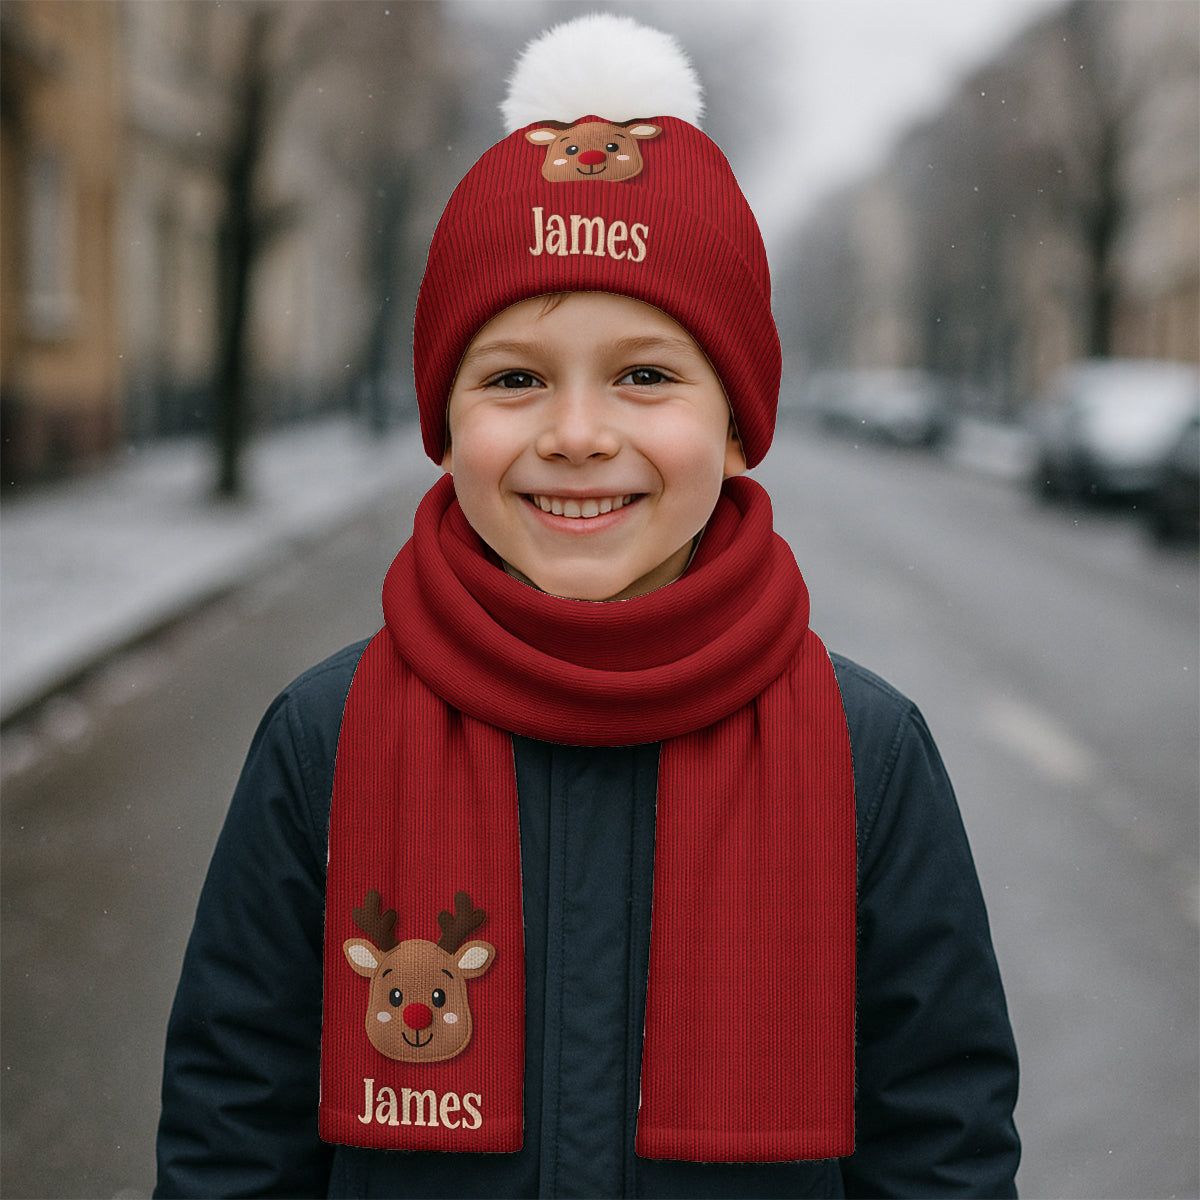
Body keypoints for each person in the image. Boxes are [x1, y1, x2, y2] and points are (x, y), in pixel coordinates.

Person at [155, 14, 1019, 1198]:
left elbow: (946, 1153)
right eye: (513, 377)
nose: (575, 434)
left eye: (647, 375)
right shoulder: (325, 740)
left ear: (734, 422)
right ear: (446, 421)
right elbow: (229, 1140)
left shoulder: (868, 757)